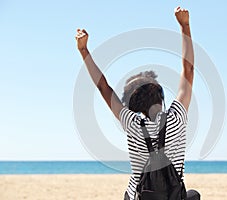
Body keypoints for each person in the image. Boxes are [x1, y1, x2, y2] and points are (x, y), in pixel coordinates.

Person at [75, 6, 200, 200]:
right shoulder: (176, 118)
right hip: (173, 196)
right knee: (194, 195)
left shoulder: (132, 123)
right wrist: (185, 25)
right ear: (160, 96)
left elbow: (103, 87)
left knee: (130, 192)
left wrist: (83, 50)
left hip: (140, 196)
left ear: (134, 106)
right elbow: (188, 70)